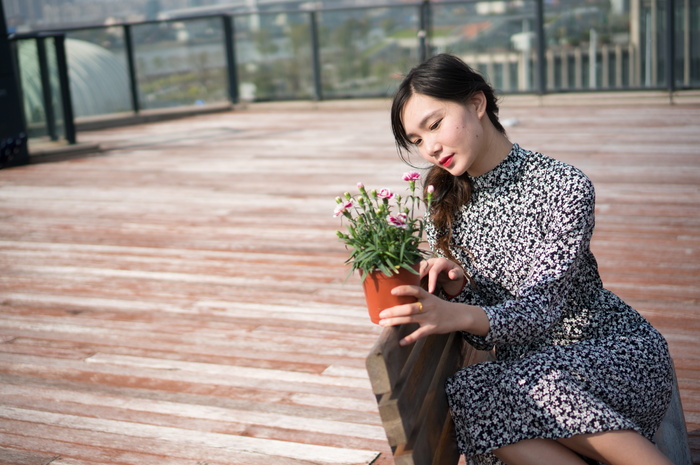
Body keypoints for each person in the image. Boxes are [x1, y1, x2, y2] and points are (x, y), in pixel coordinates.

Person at [379, 53, 675, 465]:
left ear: (477, 104)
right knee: (476, 400)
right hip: (529, 374)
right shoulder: (444, 202)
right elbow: (489, 332)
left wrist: (455, 314)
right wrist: (459, 290)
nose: (430, 147)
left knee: (484, 396)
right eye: (417, 140)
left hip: (609, 355)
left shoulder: (562, 185)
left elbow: (540, 309)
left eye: (435, 124)